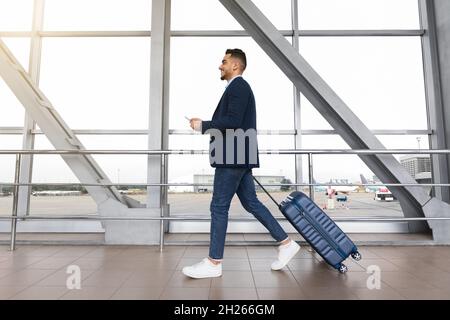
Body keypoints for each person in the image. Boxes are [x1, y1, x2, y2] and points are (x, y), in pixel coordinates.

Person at [182, 48, 300, 279]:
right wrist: (205, 124)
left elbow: (233, 121)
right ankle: (286, 244)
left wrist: (203, 126)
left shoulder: (238, 87)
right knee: (251, 203)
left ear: (235, 65)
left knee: (218, 207)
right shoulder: (237, 88)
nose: (220, 65)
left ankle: (214, 263)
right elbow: (234, 120)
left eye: (224, 61)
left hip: (232, 156)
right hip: (239, 155)